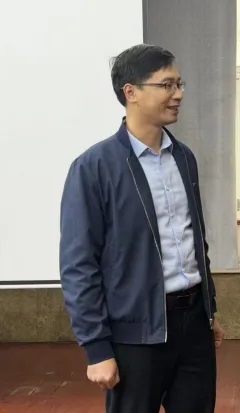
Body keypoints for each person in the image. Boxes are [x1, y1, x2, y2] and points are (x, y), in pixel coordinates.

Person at [59, 44, 224, 413]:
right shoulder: (93, 168)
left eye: (179, 84)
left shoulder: (184, 158)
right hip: (134, 334)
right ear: (130, 92)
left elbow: (194, 241)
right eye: (166, 85)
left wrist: (208, 310)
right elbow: (78, 265)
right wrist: (96, 348)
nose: (178, 94)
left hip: (194, 326)